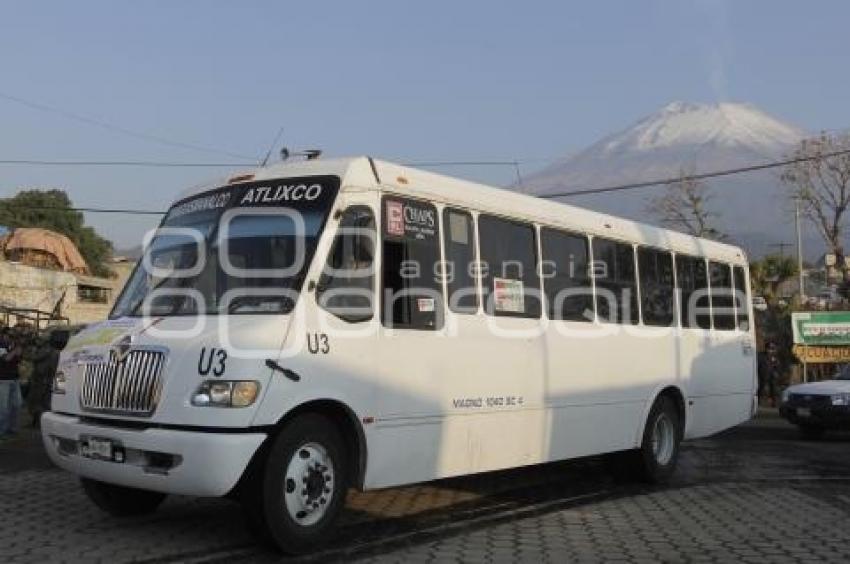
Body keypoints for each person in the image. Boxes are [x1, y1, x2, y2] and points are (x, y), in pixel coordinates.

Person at [26, 331, 63, 428]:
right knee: (43, 402)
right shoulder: (56, 352)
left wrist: (31, 351)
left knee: (38, 401)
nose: (37, 341)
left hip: (42, 379)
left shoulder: (46, 351)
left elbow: (32, 358)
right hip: (46, 379)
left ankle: (38, 423)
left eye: (39, 340)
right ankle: (40, 422)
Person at [0, 328, 24, 438]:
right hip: (3, 380)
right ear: (3, 335)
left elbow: (18, 359)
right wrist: (15, 350)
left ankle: (12, 429)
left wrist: (18, 350)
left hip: (14, 378)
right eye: (9, 336)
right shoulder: (1, 345)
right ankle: (2, 431)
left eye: (12, 336)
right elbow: (6, 358)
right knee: (3, 407)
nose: (11, 338)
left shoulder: (13, 345)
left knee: (16, 404)